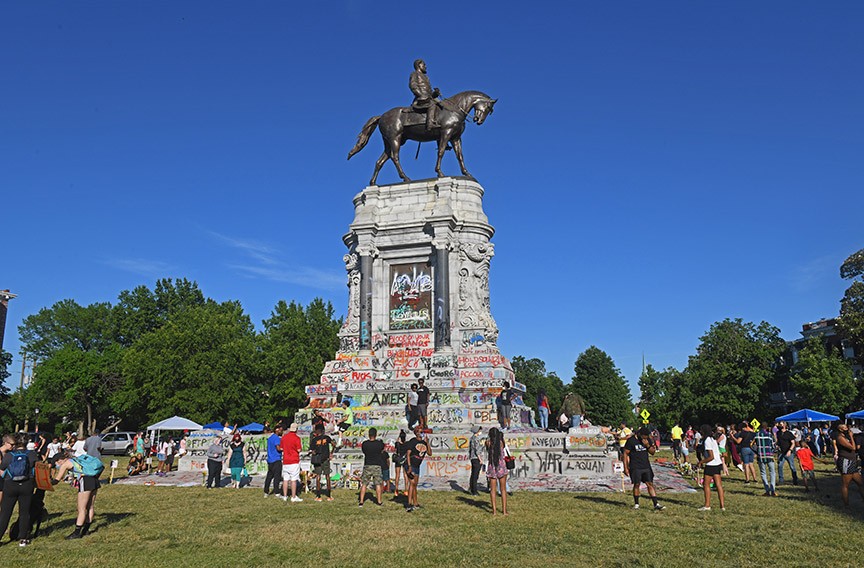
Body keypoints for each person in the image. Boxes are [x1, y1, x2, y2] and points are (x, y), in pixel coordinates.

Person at [53, 449, 103, 540]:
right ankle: (86, 530)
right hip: (94, 480)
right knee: (90, 507)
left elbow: (56, 480)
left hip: (85, 481)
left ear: (60, 460)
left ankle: (77, 532)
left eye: (56, 463)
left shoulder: (65, 464)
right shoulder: (76, 459)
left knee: (81, 508)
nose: (57, 465)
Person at [0, 433, 38, 547]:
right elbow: (36, 468)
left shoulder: (9, 455)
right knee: (24, 512)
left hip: (10, 485)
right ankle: (23, 539)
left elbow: (2, 469)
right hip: (27, 485)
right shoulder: (32, 454)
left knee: (5, 512)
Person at [623, 427, 665, 511]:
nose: (645, 438)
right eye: (644, 437)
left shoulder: (648, 440)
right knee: (637, 484)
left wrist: (647, 445)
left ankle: (656, 503)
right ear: (639, 434)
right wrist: (626, 467)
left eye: (646, 437)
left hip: (646, 466)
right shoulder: (631, 441)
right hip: (635, 466)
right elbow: (625, 453)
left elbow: (652, 452)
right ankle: (636, 504)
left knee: (650, 484)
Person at [696, 425, 725, 511]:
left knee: (706, 485)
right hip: (718, 463)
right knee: (719, 485)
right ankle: (722, 506)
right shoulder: (713, 439)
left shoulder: (707, 441)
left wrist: (701, 462)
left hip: (711, 464)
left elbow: (711, 456)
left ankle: (707, 505)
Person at [835, 423, 864, 507]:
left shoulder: (845, 437)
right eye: (844, 427)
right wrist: (851, 436)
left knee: (860, 483)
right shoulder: (840, 438)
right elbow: (853, 448)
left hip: (852, 462)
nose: (847, 428)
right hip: (846, 462)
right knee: (846, 484)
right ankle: (846, 505)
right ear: (840, 429)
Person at [405, 426, 432, 512]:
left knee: (415, 485)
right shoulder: (413, 441)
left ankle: (415, 503)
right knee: (412, 483)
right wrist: (409, 466)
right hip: (411, 464)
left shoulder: (424, 443)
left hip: (417, 466)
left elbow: (430, 453)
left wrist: (427, 443)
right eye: (420, 432)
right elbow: (408, 454)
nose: (421, 433)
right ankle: (409, 504)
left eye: (422, 432)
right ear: (416, 433)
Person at [409, 58, 440, 131]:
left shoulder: (426, 77)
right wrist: (420, 95)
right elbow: (413, 86)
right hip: (420, 99)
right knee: (432, 104)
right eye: (424, 64)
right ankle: (430, 124)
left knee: (441, 104)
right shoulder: (414, 74)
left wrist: (435, 93)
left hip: (428, 98)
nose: (425, 66)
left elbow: (429, 93)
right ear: (419, 65)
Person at [485, 427, 509, 516]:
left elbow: (488, 450)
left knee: (493, 490)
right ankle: (504, 511)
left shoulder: (488, 443)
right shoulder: (501, 443)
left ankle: (494, 511)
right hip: (501, 466)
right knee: (503, 490)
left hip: (492, 467)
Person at [309, 423, 336, 501]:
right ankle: (329, 495)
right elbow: (334, 444)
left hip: (318, 460)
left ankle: (318, 496)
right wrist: (331, 453)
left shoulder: (314, 440)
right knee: (327, 476)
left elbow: (313, 451)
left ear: (317, 431)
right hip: (326, 459)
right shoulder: (327, 438)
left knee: (318, 476)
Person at [359, 427, 385, 506]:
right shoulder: (379, 444)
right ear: (376, 434)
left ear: (369, 434)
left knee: (364, 484)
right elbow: (382, 451)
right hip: (377, 465)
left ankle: (361, 501)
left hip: (367, 464)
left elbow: (364, 452)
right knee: (377, 484)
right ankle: (379, 501)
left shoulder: (365, 444)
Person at [281, 423, 303, 502]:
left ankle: (285, 496)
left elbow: (281, 448)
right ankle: (293, 496)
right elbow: (299, 450)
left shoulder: (284, 437)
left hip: (285, 460)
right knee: (294, 479)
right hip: (294, 460)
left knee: (285, 479)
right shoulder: (297, 438)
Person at [754, 425, 776, 496]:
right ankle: (772, 490)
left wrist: (756, 452)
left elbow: (752, 445)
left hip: (760, 456)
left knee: (763, 473)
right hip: (769, 455)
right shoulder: (769, 435)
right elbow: (773, 446)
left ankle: (767, 490)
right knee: (772, 472)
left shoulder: (757, 435)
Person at [775, 422, 798, 486]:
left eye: (781, 424)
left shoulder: (789, 433)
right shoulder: (778, 433)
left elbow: (793, 443)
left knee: (792, 466)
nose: (780, 425)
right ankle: (781, 480)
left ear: (784, 425)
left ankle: (795, 479)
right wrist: (777, 445)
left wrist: (790, 450)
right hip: (781, 452)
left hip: (789, 453)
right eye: (779, 424)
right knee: (780, 465)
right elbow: (778, 442)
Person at [264, 424, 284, 497]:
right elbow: (278, 448)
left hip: (270, 460)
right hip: (276, 459)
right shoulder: (276, 438)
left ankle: (266, 491)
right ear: (277, 430)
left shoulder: (270, 438)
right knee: (277, 477)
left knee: (269, 476)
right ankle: (277, 492)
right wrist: (284, 449)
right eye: (281, 430)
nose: (282, 432)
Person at [393, 429, 409, 497]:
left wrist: (399, 435)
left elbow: (396, 442)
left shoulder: (397, 444)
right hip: (404, 460)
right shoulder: (407, 444)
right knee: (405, 476)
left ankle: (396, 490)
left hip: (398, 460)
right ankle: (406, 490)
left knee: (397, 476)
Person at [468, 425, 483, 496]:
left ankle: (472, 488)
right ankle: (474, 490)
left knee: (473, 474)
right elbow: (477, 450)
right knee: (475, 475)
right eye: (479, 430)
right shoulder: (476, 439)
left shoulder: (472, 438)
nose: (480, 432)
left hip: (472, 457)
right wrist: (480, 459)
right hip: (476, 458)